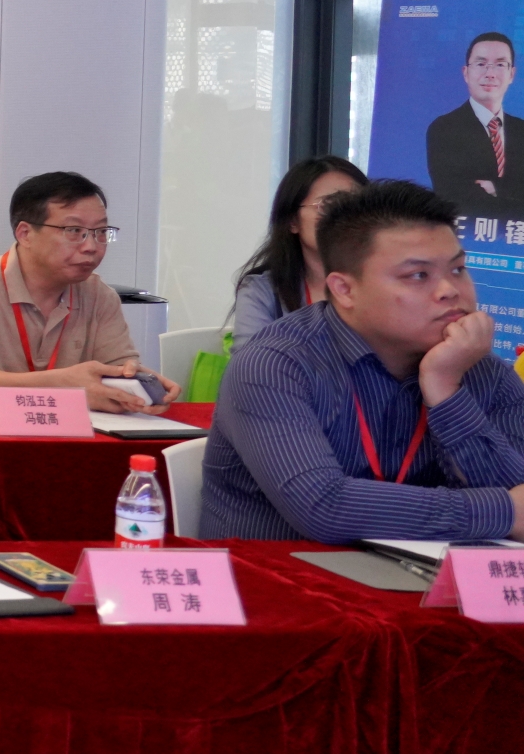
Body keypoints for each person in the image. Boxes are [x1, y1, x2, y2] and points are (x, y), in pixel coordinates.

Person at [206, 178, 524, 542]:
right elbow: (325, 507)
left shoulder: (478, 367)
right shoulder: (274, 365)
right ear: (344, 290)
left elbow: (518, 499)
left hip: (421, 576)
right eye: (418, 275)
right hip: (279, 572)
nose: (450, 290)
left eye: (457, 269)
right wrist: (502, 511)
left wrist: (445, 390)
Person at [0, 170, 177, 414]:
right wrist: (64, 386)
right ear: (25, 234)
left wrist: (138, 387)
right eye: (74, 231)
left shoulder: (99, 295)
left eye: (100, 232)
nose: (91, 246)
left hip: (69, 433)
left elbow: (118, 369)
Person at [230, 156, 370, 347]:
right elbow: (250, 363)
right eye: (328, 205)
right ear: (293, 221)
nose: (346, 217)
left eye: (357, 204)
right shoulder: (262, 291)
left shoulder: (386, 282)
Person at [426, 31, 524, 215]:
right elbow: (453, 195)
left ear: (511, 74)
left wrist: (496, 188)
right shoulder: (444, 129)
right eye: (481, 64)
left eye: (500, 64)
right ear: (466, 73)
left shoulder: (521, 130)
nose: (490, 74)